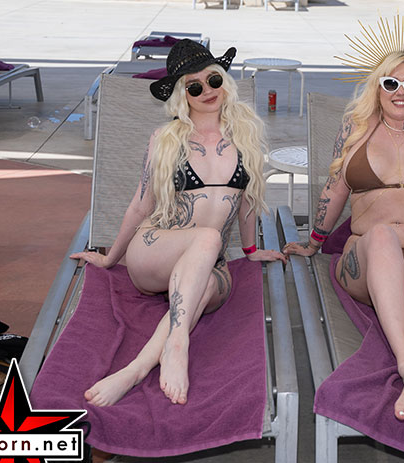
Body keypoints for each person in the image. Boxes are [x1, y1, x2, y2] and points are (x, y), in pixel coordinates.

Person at [70, 39, 286, 407]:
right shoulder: (166, 139)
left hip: (208, 263)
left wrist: (250, 251)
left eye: (213, 80)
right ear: (181, 95)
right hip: (155, 250)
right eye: (194, 87)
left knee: (206, 277)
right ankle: (178, 344)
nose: (207, 91)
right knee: (208, 238)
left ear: (224, 82)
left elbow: (248, 202)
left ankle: (137, 368)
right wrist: (109, 259)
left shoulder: (246, 136)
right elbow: (140, 206)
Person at [283, 49, 404, 422]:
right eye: (391, 83)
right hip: (370, 256)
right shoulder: (355, 129)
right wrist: (313, 242)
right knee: (384, 237)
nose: (400, 91)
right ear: (378, 87)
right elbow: (335, 189)